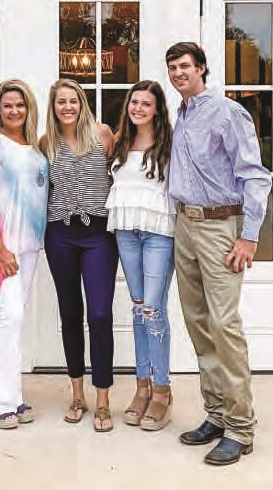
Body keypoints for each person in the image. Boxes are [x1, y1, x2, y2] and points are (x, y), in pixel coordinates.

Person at [165, 42, 272, 465]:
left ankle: (241, 428)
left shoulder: (227, 112)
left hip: (220, 227)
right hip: (185, 226)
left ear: (202, 69)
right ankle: (217, 413)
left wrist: (248, 237)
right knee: (198, 323)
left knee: (224, 323)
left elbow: (255, 176)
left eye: (185, 67)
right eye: (172, 68)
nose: (178, 74)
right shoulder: (182, 112)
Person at [0, 79, 48, 429]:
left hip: (31, 247)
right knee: (10, 316)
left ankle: (12, 397)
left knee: (14, 319)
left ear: (28, 108)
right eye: (7, 106)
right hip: (6, 247)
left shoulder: (34, 147)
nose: (14, 111)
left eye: (20, 105)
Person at [40, 78, 118, 433]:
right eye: (61, 102)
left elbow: (123, 178)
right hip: (60, 234)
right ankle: (77, 394)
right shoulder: (46, 143)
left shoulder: (103, 135)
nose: (67, 107)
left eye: (73, 100)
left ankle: (103, 400)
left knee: (100, 314)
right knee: (70, 312)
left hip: (98, 233)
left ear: (82, 103)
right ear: (53, 107)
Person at [106, 80, 175, 431]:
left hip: (159, 233)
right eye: (134, 103)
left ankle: (162, 391)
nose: (138, 109)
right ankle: (142, 387)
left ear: (157, 109)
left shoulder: (169, 143)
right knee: (137, 308)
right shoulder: (118, 142)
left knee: (153, 309)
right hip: (126, 231)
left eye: (146, 104)